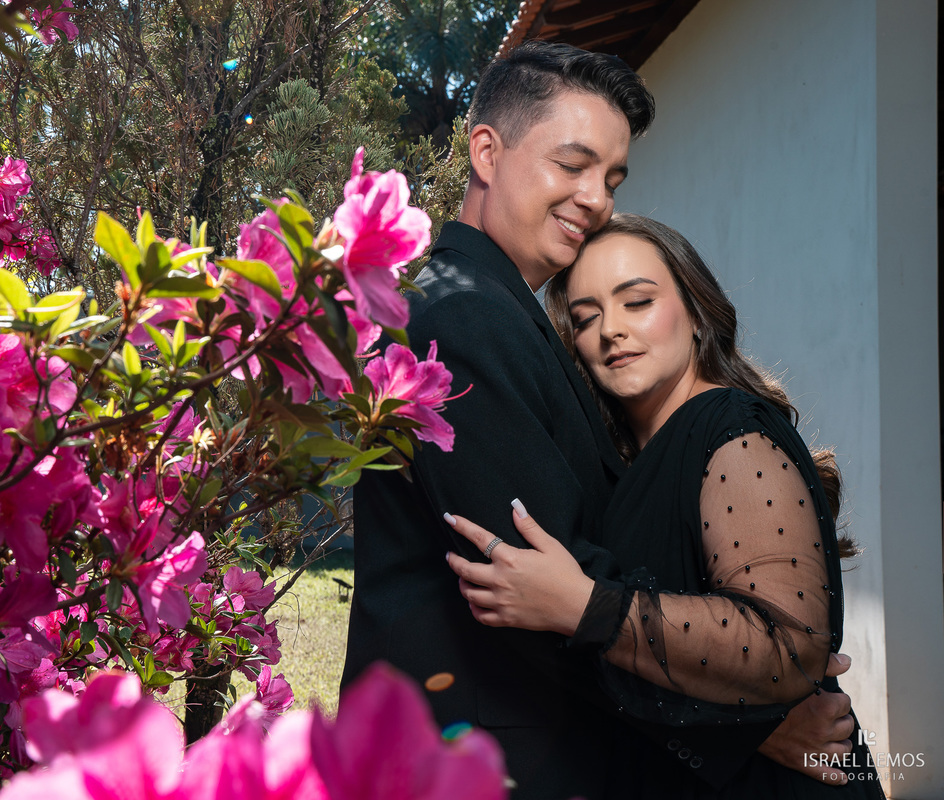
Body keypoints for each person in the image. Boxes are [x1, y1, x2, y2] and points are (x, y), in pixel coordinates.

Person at [341, 41, 859, 799]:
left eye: (612, 178)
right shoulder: (460, 315)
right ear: (487, 151)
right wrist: (749, 716)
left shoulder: (505, 316)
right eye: (572, 165)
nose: (596, 198)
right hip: (477, 759)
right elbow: (534, 586)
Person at [443, 214, 882, 797]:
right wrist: (743, 730)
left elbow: (789, 649)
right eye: (586, 317)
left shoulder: (730, 431)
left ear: (697, 314)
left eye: (637, 301)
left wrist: (584, 606)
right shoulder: (623, 466)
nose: (611, 331)